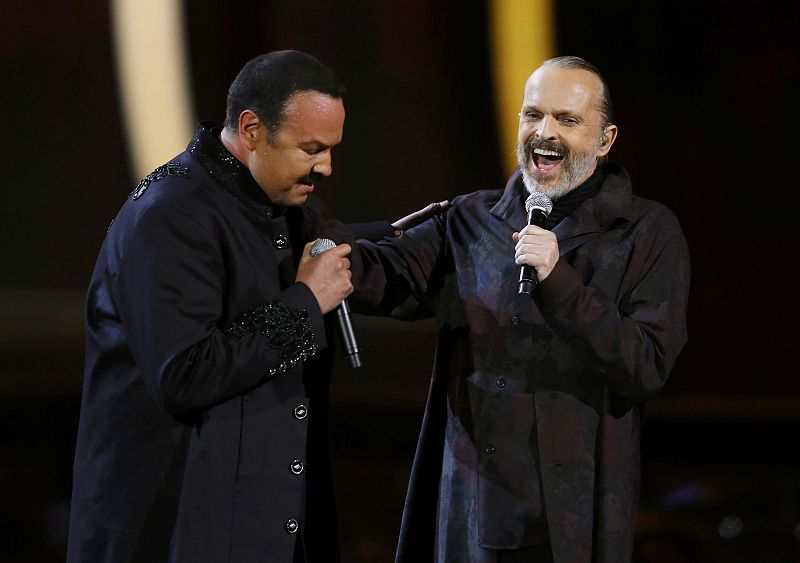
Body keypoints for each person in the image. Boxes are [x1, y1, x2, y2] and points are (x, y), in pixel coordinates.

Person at [67, 50, 440, 563]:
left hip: (267, 529)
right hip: (179, 535)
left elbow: (346, 258)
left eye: (331, 149)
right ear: (251, 129)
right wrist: (307, 302)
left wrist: (448, 230)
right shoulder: (169, 216)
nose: (326, 166)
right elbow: (183, 375)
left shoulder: (282, 200)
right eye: (311, 148)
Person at [351, 56, 690, 562]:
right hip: (475, 505)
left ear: (605, 139)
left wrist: (560, 282)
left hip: (572, 514)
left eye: (567, 120)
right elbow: (384, 276)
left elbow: (645, 365)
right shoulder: (470, 220)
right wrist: (308, 236)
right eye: (533, 116)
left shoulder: (646, 233)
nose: (544, 133)